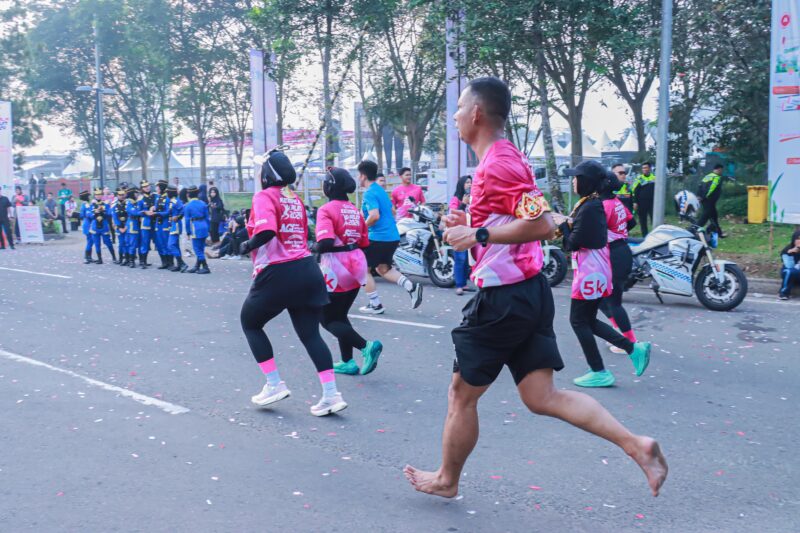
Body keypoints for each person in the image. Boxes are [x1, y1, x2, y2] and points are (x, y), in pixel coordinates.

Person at [403, 77, 667, 499]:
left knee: (461, 395)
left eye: (459, 109)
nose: (454, 117)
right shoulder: (503, 158)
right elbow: (514, 221)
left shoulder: (498, 162)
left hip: (504, 298)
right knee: (541, 396)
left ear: (476, 113)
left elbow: (543, 224)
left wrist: (478, 235)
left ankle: (447, 480)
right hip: (527, 292)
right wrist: (471, 226)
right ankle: (636, 445)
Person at [238, 148, 347, 416]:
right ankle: (331, 395)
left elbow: (266, 231)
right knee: (311, 334)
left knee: (250, 323)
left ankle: (274, 384)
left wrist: (246, 245)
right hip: (307, 269)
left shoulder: (264, 196)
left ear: (266, 174)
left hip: (278, 271)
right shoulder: (293, 198)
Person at [556, 161, 651, 387]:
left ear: (586, 182)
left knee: (578, 321)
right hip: (598, 268)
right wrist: (569, 224)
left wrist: (564, 226)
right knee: (588, 320)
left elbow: (573, 244)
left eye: (576, 177)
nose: (573, 181)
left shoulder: (591, 206)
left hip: (590, 271)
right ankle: (633, 348)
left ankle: (599, 370)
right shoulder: (595, 203)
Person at [314, 167, 383, 376]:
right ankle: (347, 362)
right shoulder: (353, 210)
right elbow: (364, 242)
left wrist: (311, 248)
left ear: (329, 186)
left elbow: (325, 242)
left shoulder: (326, 210)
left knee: (327, 319)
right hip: (356, 265)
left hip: (335, 268)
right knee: (340, 315)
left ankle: (366, 346)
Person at [357, 159, 423, 314]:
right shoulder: (380, 190)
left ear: (363, 176)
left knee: (363, 270)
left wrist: (362, 229)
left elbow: (374, 216)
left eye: (358, 175)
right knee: (383, 269)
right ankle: (411, 287)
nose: (358, 178)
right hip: (392, 236)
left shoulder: (370, 193)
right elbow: (391, 211)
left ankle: (375, 305)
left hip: (378, 237)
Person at [597, 170, 640, 355]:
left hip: (614, 255)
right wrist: (618, 231)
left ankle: (630, 342)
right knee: (599, 299)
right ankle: (619, 333)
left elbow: (595, 230)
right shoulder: (616, 202)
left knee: (614, 302)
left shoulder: (605, 205)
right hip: (621, 251)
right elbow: (632, 222)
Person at [449, 175, 474, 295]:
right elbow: (453, 214)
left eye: (471, 182)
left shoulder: (473, 198)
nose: (470, 184)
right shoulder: (456, 199)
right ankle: (459, 285)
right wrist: (463, 204)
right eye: (467, 182)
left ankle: (464, 284)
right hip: (458, 232)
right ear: (461, 184)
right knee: (460, 258)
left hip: (470, 232)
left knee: (467, 260)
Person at [182, 185, 210, 274]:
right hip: (204, 226)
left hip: (195, 227)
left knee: (197, 249)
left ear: (188, 194)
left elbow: (187, 221)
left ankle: (205, 267)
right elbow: (207, 218)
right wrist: (208, 229)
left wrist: (188, 232)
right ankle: (197, 266)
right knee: (201, 248)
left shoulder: (187, 206)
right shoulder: (203, 203)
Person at [697, 164, 725, 237]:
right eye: (721, 170)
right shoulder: (716, 177)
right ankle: (693, 230)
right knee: (704, 217)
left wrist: (699, 196)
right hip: (709, 200)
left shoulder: (708, 176)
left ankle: (719, 233)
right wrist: (704, 197)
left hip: (704, 199)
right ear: (719, 169)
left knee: (714, 216)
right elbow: (711, 189)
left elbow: (700, 186)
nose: (722, 172)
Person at [89, 187, 116, 264]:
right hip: (95, 227)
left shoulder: (105, 204)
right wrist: (95, 212)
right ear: (95, 195)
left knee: (108, 242)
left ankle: (114, 258)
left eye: (99, 194)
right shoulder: (92, 204)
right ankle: (99, 259)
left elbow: (109, 213)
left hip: (104, 226)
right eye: (96, 194)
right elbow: (89, 215)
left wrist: (103, 211)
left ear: (102, 195)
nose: (98, 196)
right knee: (97, 244)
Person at [166, 185, 189, 272]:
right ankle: (179, 265)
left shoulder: (176, 201)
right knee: (175, 245)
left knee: (170, 245)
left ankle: (182, 263)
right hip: (172, 224)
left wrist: (178, 217)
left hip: (176, 225)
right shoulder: (171, 201)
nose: (166, 193)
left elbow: (183, 210)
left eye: (167, 192)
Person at [135, 180, 157, 268]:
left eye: (148, 186)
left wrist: (155, 207)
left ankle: (166, 261)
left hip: (156, 222)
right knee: (145, 242)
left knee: (158, 242)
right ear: (142, 188)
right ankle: (143, 261)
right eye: (144, 187)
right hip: (146, 223)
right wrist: (145, 212)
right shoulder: (140, 198)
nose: (147, 188)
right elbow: (137, 212)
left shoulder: (155, 196)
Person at [632, 162, 656, 236]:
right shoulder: (639, 178)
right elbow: (634, 190)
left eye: (646, 167)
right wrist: (635, 202)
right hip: (641, 203)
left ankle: (655, 235)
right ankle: (644, 236)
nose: (644, 169)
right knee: (643, 221)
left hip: (653, 203)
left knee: (654, 220)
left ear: (650, 168)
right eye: (643, 168)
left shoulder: (654, 178)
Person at [779, 229, 800, 300]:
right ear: (794, 239)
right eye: (798, 239)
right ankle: (783, 293)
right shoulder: (787, 249)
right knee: (789, 272)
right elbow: (789, 266)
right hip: (791, 273)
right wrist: (791, 253)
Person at [111, 187, 130, 265]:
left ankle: (128, 259)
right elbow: (114, 217)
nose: (121, 196)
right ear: (117, 195)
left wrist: (126, 227)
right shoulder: (114, 205)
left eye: (123, 195)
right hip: (119, 227)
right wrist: (119, 227)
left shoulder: (128, 204)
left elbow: (129, 216)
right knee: (121, 243)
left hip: (127, 226)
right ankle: (121, 259)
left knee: (127, 243)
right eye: (120, 195)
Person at [79, 190, 95, 263]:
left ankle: (89, 257)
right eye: (88, 196)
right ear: (86, 197)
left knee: (90, 241)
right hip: (88, 224)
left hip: (87, 223)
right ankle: (87, 257)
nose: (89, 197)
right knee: (90, 241)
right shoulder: (86, 205)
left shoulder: (85, 204)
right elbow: (88, 215)